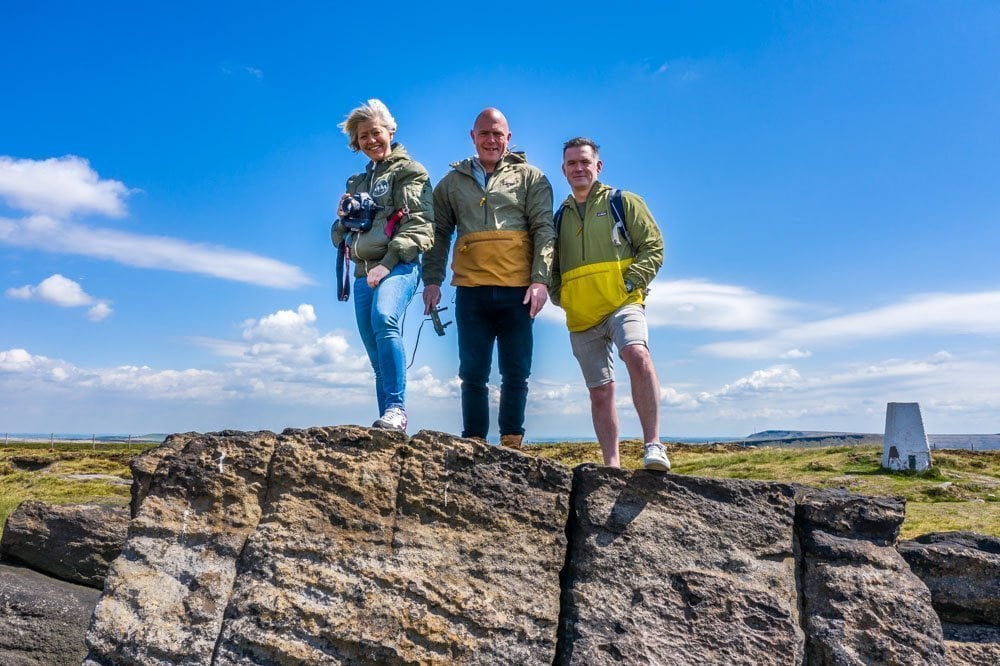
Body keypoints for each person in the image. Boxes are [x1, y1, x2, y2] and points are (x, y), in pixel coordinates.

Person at [421, 108, 555, 449]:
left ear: (508, 138)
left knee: (516, 371)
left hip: (518, 289)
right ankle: (474, 443)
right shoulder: (452, 182)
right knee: (473, 373)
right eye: (484, 133)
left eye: (498, 134)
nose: (491, 140)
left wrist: (540, 280)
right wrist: (432, 281)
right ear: (473, 137)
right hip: (471, 289)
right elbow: (437, 233)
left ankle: (512, 443)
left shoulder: (531, 178)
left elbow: (544, 229)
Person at [549, 137, 670, 471]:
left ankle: (653, 446)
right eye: (572, 163)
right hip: (581, 317)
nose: (578, 168)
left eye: (585, 162)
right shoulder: (559, 218)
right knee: (600, 392)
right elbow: (552, 268)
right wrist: (565, 298)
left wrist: (629, 283)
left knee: (637, 354)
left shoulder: (623, 201)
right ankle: (612, 467)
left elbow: (654, 247)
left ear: (597, 166)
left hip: (623, 304)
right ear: (563, 170)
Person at [331, 99, 434, 432]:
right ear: (356, 143)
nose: (371, 141)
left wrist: (388, 263)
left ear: (390, 130)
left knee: (384, 319)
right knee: (375, 352)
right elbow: (339, 236)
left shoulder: (410, 171)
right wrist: (344, 218)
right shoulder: (355, 183)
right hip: (363, 272)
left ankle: (397, 410)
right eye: (363, 137)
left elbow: (420, 224)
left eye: (376, 132)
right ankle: (390, 426)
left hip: (399, 265)